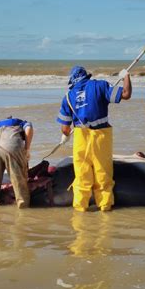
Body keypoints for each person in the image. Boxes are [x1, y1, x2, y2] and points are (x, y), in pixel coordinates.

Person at [56, 65, 132, 212]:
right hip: (101, 136)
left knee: (82, 174)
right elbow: (126, 94)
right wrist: (126, 76)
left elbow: (65, 129)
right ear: (86, 76)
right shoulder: (100, 86)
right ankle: (104, 205)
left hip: (80, 138)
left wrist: (65, 136)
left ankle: (80, 207)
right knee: (103, 172)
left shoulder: (68, 97)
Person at [0, 116, 33, 208]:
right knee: (19, 179)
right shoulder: (20, 121)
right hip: (10, 144)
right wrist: (27, 149)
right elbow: (29, 128)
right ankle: (23, 207)